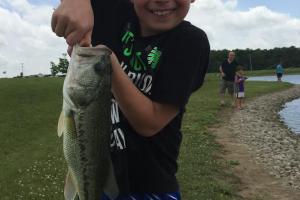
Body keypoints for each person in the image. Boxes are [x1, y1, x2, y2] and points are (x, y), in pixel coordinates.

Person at [51, 0, 210, 199]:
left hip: (151, 186)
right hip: (100, 175)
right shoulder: (113, 11)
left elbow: (149, 122)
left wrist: (107, 64)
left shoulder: (190, 42)